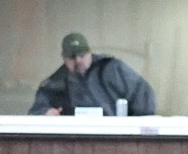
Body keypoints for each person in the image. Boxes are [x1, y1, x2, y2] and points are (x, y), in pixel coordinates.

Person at [28, 32, 157, 116]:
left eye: (82, 55)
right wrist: (45, 113)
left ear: (90, 53)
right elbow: (36, 110)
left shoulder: (111, 68)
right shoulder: (55, 82)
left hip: (116, 137)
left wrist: (134, 128)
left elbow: (143, 94)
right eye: (72, 57)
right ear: (63, 58)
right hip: (74, 141)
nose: (78, 61)